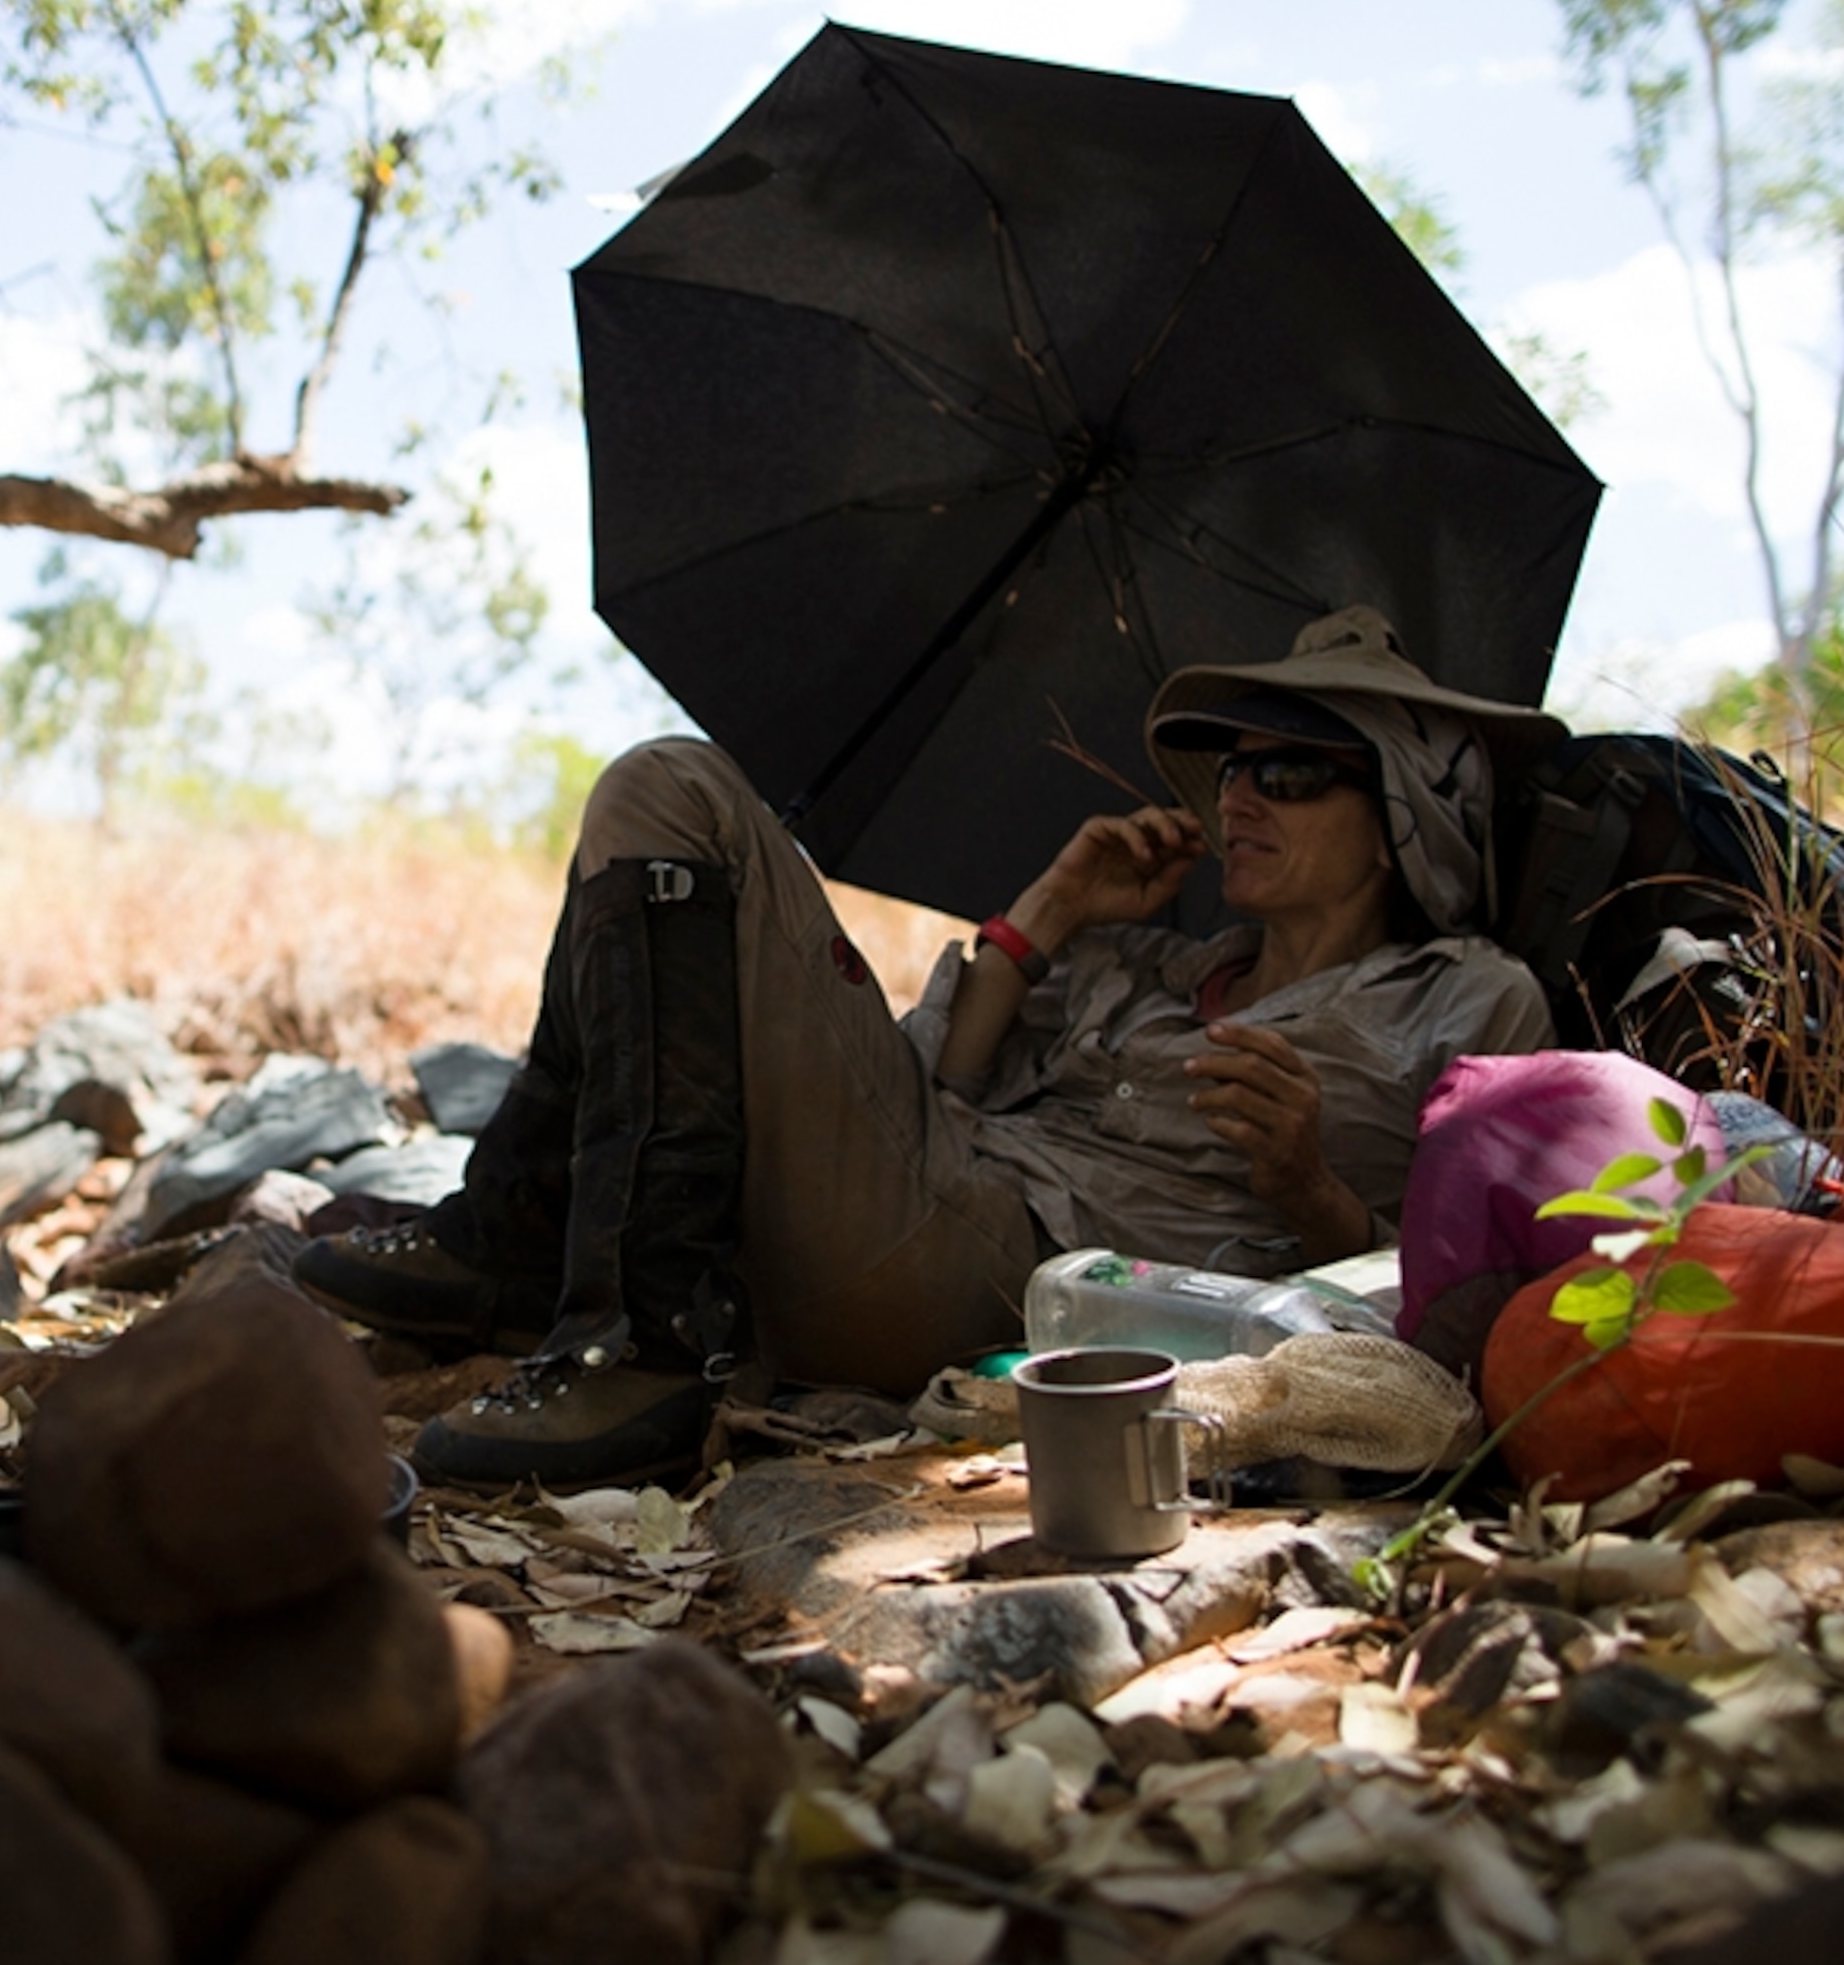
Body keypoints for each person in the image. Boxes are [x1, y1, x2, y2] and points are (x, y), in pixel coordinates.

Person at [299, 606, 1561, 1487]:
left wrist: (1308, 1185)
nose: (1237, 796)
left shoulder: (1464, 1000)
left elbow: (1442, 1319)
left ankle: (638, 1345)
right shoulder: (1147, 962)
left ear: (1405, 811)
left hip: (1022, 1268)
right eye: (1231, 768)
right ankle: (522, 1238)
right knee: (657, 832)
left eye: (1292, 771)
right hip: (908, 1197)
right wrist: (1046, 916)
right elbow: (917, 1086)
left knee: (672, 787)